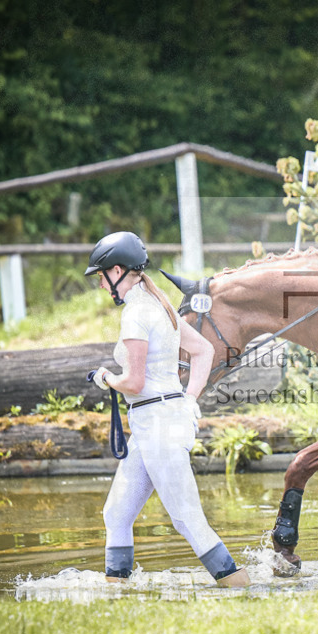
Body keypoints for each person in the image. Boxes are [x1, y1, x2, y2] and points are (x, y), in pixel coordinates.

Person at [85, 231, 250, 588]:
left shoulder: (137, 315)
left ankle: (242, 587)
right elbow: (204, 351)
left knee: (188, 519)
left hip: (158, 423)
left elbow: (134, 383)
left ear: (116, 271)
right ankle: (117, 593)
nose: (100, 285)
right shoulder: (158, 306)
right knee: (116, 514)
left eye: (100, 276)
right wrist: (189, 399)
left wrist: (104, 377)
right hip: (156, 422)